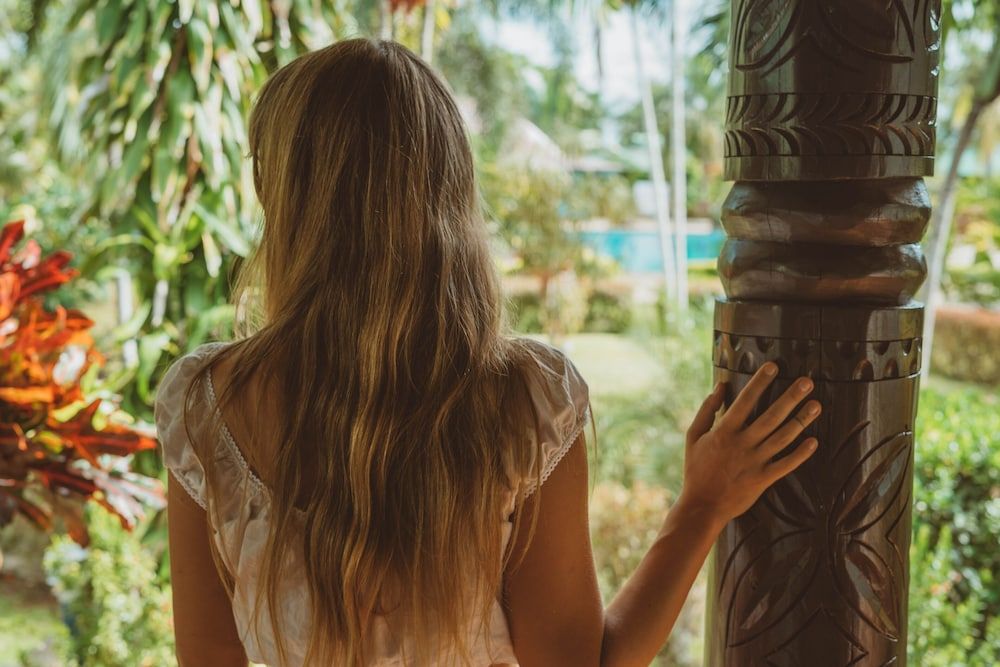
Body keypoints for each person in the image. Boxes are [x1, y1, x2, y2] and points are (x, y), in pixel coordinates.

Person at [154, 38, 821, 667]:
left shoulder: (206, 408)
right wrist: (700, 507)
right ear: (447, 191)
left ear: (289, 195)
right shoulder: (526, 402)